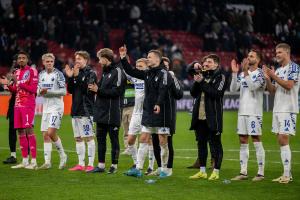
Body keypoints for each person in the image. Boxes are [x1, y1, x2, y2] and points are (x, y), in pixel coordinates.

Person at [120, 45, 173, 178]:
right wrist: (123, 58)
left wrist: (158, 104)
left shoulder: (164, 73)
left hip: (161, 112)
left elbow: (163, 89)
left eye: (149, 57)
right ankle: (138, 168)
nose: (147, 59)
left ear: (157, 59)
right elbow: (132, 72)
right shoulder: (148, 73)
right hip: (148, 112)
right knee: (143, 138)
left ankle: (165, 169)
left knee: (162, 141)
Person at [263, 43, 299, 184]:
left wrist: (273, 75)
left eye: (279, 52)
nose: (276, 54)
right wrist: (268, 77)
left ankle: (286, 175)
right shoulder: (278, 70)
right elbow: (272, 90)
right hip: (277, 108)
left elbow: (289, 86)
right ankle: (286, 173)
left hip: (288, 108)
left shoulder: (294, 67)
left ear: (287, 53)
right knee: (280, 140)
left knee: (284, 138)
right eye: (276, 52)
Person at [189, 54, 228, 180]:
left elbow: (216, 94)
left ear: (216, 64)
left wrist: (202, 82)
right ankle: (202, 171)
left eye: (209, 62)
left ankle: (216, 172)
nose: (206, 64)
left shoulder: (221, 77)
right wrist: (197, 81)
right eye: (205, 62)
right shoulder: (203, 75)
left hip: (213, 117)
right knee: (201, 144)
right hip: (200, 117)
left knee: (216, 145)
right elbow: (193, 93)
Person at [88, 48, 126, 174]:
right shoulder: (104, 72)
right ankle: (101, 165)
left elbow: (117, 91)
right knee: (101, 139)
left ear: (106, 58)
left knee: (113, 139)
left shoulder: (118, 71)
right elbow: (99, 89)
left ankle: (114, 166)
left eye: (100, 58)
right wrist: (94, 88)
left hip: (112, 112)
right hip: (101, 111)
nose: (99, 61)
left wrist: (98, 90)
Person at [230, 50, 266, 181]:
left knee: (256, 139)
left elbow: (253, 87)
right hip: (242, 112)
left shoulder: (261, 74)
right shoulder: (242, 73)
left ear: (258, 60)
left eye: (251, 56)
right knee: (243, 141)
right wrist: (235, 73)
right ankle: (243, 172)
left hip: (254, 112)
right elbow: (233, 89)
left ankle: (261, 173)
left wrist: (245, 72)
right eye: (248, 55)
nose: (248, 57)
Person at [2, 51, 38, 169]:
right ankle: (25, 160)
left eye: (23, 58)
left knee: (29, 131)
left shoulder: (32, 71)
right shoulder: (16, 72)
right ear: (17, 60)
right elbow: (16, 90)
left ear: (27, 59)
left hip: (28, 105)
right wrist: (7, 85)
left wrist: (18, 83)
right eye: (19, 58)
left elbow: (33, 90)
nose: (21, 60)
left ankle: (34, 161)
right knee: (20, 132)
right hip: (17, 106)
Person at [122, 58, 156, 176]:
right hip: (136, 114)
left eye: (140, 66)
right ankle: (136, 163)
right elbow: (127, 71)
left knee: (148, 139)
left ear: (147, 67)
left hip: (147, 113)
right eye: (137, 66)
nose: (138, 68)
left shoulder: (150, 78)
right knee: (130, 140)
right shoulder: (135, 78)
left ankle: (150, 166)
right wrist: (124, 58)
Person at [150, 56, 183, 177]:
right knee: (154, 141)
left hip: (167, 114)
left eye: (166, 66)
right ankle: (160, 167)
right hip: (154, 113)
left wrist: (173, 77)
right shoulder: (154, 77)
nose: (164, 68)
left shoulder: (171, 77)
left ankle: (168, 168)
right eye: (162, 65)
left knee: (167, 142)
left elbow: (179, 94)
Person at [65, 51, 97, 172]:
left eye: (79, 59)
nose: (77, 61)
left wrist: (77, 77)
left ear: (86, 60)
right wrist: (71, 77)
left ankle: (90, 164)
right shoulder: (75, 73)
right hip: (75, 110)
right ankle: (80, 163)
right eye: (76, 58)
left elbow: (87, 91)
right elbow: (71, 91)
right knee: (78, 138)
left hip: (86, 111)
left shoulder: (91, 73)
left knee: (88, 137)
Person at [37, 53, 67, 170]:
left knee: (50, 133)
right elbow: (39, 91)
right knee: (45, 135)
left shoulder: (58, 74)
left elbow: (64, 92)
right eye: (47, 61)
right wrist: (40, 94)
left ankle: (63, 155)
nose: (49, 63)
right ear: (43, 62)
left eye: (51, 61)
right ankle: (47, 162)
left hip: (57, 107)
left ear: (53, 62)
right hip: (46, 108)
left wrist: (48, 93)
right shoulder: (41, 74)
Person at [1, 57, 18, 164]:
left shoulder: (28, 73)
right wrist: (8, 84)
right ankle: (13, 155)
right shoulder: (13, 75)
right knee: (12, 131)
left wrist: (10, 83)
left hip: (25, 105)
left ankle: (28, 156)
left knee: (26, 131)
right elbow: (10, 89)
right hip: (13, 105)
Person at [120, 61, 135, 156]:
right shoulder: (119, 75)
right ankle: (127, 148)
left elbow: (134, 83)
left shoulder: (133, 74)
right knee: (125, 130)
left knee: (132, 129)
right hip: (122, 106)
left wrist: (127, 77)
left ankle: (133, 148)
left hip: (132, 105)